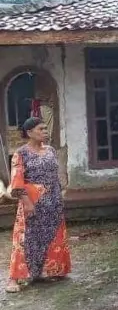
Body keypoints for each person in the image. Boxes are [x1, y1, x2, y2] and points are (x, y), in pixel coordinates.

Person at [6, 117, 71, 293]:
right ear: (29, 133)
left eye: (45, 128)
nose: (45, 131)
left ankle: (46, 271)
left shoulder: (50, 150)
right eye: (41, 129)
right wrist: (27, 202)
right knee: (26, 239)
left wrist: (59, 196)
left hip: (53, 200)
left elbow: (55, 176)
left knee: (51, 236)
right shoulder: (21, 153)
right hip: (32, 201)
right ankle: (15, 278)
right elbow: (17, 180)